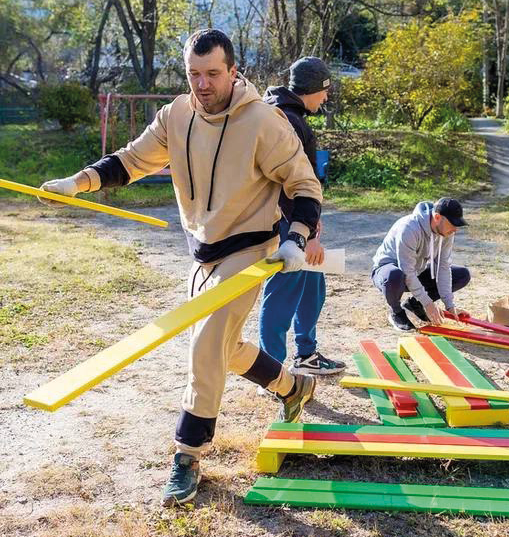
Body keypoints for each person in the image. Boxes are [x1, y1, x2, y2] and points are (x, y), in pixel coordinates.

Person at [37, 29, 323, 507]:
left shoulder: (265, 121)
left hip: (253, 249)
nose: (203, 84)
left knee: (205, 343)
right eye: (194, 74)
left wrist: (296, 239)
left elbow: (303, 184)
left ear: (234, 71)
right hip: (203, 251)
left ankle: (188, 452)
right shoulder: (175, 115)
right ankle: (293, 386)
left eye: (213, 73)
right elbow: (131, 161)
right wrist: (78, 181)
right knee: (222, 345)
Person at [257, 56, 345, 375]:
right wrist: (307, 235)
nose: (326, 98)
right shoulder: (289, 122)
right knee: (282, 293)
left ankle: (306, 353)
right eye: (325, 91)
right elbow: (289, 187)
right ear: (315, 88)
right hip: (285, 223)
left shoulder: (286, 114)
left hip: (299, 222)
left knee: (312, 285)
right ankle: (272, 369)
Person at [371, 198, 471, 331]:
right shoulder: (409, 228)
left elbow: (443, 267)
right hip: (388, 272)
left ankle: (414, 305)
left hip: (415, 271)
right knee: (394, 275)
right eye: (453, 224)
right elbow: (406, 270)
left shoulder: (446, 232)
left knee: (462, 275)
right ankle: (397, 312)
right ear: (437, 217)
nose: (455, 229)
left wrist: (450, 306)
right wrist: (428, 303)